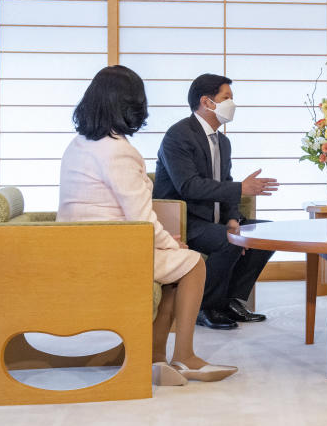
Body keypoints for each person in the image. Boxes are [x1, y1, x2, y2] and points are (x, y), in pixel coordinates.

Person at [57, 65, 236, 385]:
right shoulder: (119, 151)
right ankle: (185, 356)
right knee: (192, 262)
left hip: (78, 246)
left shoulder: (79, 144)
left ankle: (154, 357)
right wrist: (172, 243)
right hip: (110, 250)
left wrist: (165, 242)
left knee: (172, 269)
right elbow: (140, 215)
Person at [152, 73, 279, 330]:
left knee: (266, 233)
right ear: (207, 102)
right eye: (227, 98)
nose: (232, 104)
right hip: (185, 219)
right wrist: (241, 188)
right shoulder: (178, 135)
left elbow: (226, 183)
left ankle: (231, 301)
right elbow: (188, 185)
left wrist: (232, 218)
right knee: (230, 241)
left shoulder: (223, 142)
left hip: (215, 217)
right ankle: (204, 306)